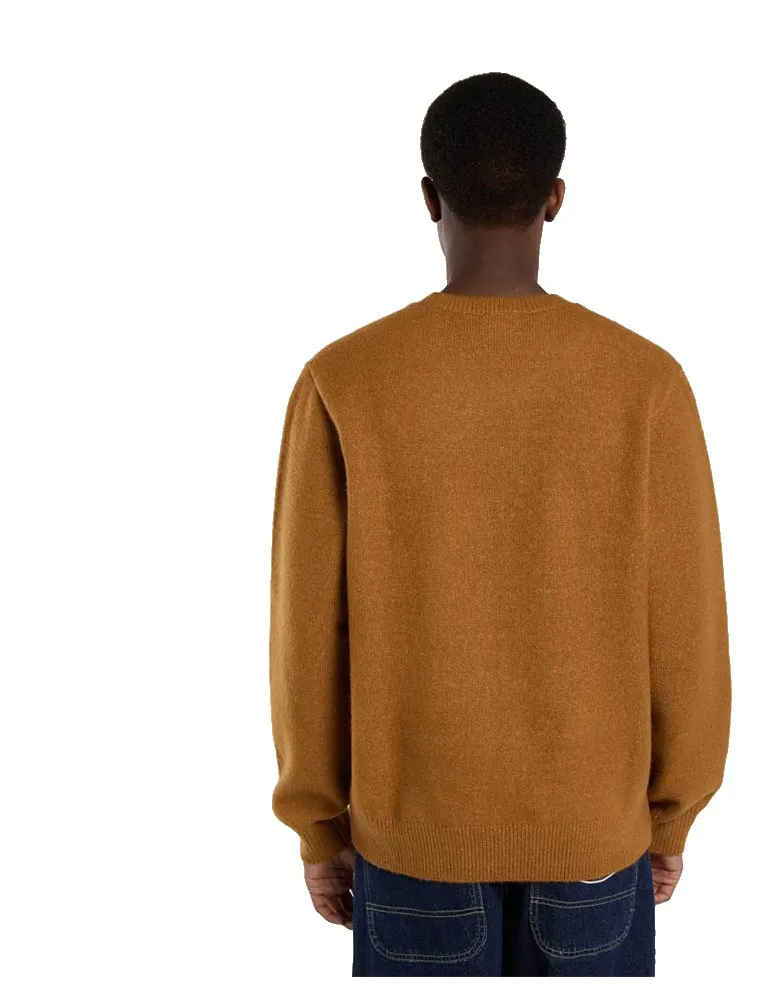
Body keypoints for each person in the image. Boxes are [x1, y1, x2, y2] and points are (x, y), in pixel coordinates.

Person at [269, 71, 731, 977]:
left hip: (413, 841)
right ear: (555, 199)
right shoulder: (645, 382)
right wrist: (671, 815)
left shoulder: (344, 379)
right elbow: (687, 627)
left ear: (428, 198)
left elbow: (306, 639)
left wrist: (319, 826)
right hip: (595, 837)